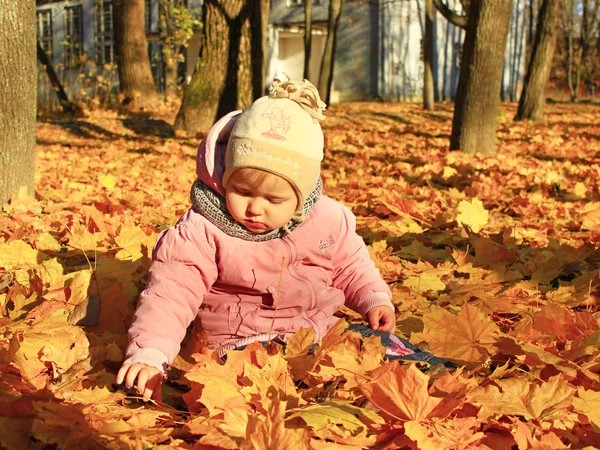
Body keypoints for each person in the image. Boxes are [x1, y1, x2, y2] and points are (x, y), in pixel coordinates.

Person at [117, 77, 447, 402]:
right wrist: (151, 352)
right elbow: (171, 292)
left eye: (273, 200)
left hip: (318, 331)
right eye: (242, 191)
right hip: (242, 343)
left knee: (370, 344)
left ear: (302, 196)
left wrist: (373, 299)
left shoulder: (327, 219)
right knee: (268, 386)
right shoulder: (203, 230)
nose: (255, 209)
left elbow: (351, 264)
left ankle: (427, 374)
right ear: (224, 177)